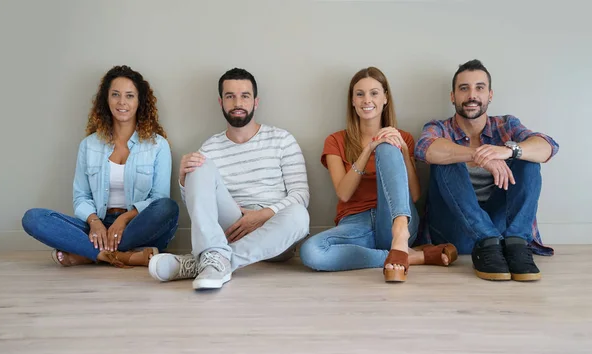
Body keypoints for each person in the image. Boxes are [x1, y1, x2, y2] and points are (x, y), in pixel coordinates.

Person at [149, 68, 310, 290]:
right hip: (232, 224)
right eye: (230, 96)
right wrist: (184, 180)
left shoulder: (283, 140)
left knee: (300, 216)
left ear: (256, 102)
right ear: (221, 102)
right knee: (197, 163)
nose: (237, 102)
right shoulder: (210, 148)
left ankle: (206, 261)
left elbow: (301, 196)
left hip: (275, 229)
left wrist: (261, 215)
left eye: (245, 96)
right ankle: (215, 259)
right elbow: (200, 207)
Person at [299, 67, 457, 282]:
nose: (367, 100)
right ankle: (415, 256)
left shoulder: (404, 138)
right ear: (352, 101)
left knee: (388, 146)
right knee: (311, 252)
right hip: (356, 224)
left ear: (385, 98)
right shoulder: (335, 141)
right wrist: (368, 150)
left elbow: (415, 195)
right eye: (360, 94)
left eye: (374, 93)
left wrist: (400, 150)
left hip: (395, 221)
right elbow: (344, 194)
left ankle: (400, 239)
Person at [415, 59, 559, 282]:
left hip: (503, 232)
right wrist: (478, 155)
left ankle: (517, 244)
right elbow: (425, 149)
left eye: (479, 88)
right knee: (446, 159)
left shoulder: (507, 125)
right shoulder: (439, 128)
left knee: (528, 158)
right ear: (453, 96)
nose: (472, 95)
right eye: (464, 88)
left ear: (490, 95)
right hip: (455, 231)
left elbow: (548, 146)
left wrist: (509, 151)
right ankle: (487, 240)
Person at [22, 65, 178, 268]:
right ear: (106, 99)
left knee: (168, 208)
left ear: (140, 102)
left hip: (136, 226)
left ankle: (88, 254)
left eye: (130, 96)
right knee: (33, 218)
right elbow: (81, 197)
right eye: (115, 95)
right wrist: (95, 223)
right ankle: (122, 256)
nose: (122, 102)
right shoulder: (89, 145)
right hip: (98, 226)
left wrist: (123, 220)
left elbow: (159, 199)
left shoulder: (158, 145)